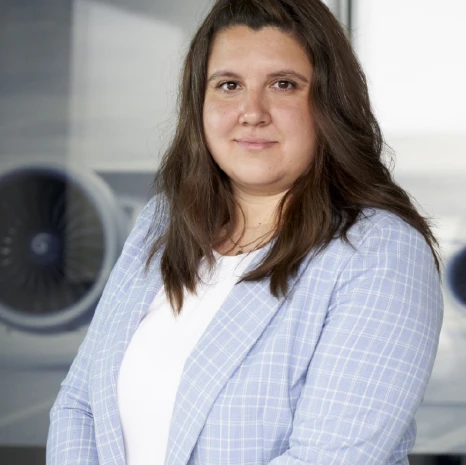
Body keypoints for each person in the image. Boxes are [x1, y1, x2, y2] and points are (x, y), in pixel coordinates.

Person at [46, 0, 444, 464]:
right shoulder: (163, 223)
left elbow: (324, 459)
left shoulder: (379, 252)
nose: (252, 112)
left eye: (283, 84)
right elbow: (79, 403)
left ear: (330, 103)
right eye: (229, 85)